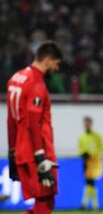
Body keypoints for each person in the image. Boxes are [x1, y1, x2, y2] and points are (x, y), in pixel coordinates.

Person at [7, 41, 63, 214]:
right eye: (56, 63)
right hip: (37, 151)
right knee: (45, 204)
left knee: (44, 203)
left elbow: (11, 120)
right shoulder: (35, 83)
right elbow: (33, 122)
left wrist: (12, 153)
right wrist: (40, 158)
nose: (56, 68)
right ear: (47, 59)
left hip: (22, 150)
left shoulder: (16, 78)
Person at [78, 116, 103, 211]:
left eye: (88, 123)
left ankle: (88, 204)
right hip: (86, 162)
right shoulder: (82, 137)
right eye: (85, 123)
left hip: (94, 162)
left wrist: (92, 154)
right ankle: (93, 205)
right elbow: (80, 150)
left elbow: (101, 148)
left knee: (90, 182)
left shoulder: (97, 136)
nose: (86, 125)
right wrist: (83, 153)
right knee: (89, 183)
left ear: (91, 124)